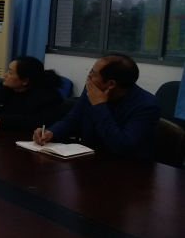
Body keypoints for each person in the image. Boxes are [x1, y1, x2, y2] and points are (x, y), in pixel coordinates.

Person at [32, 54, 160, 161]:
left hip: (129, 170)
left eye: (92, 74)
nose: (88, 77)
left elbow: (121, 146)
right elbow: (73, 119)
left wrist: (99, 105)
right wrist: (52, 132)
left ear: (111, 84)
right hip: (90, 160)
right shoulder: (93, 88)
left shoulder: (147, 105)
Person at [0, 56, 63, 130]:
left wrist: (3, 121)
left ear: (25, 81)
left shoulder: (46, 96)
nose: (5, 75)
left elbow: (41, 121)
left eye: (10, 72)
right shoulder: (4, 88)